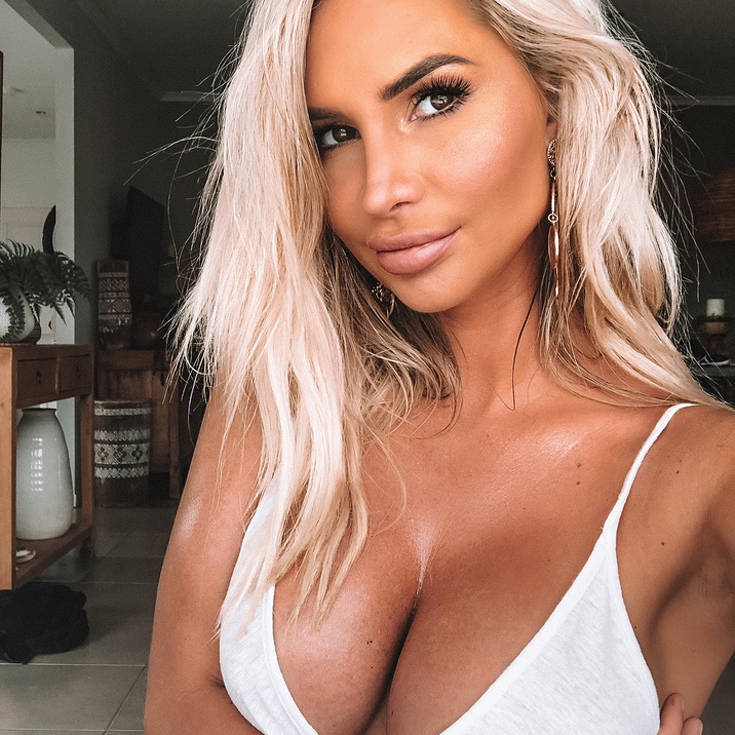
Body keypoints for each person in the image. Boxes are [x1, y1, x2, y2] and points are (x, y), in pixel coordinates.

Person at [144, 0, 734, 732]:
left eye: (434, 99)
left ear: (554, 100)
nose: (378, 190)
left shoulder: (702, 469)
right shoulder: (282, 388)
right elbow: (177, 701)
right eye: (334, 134)